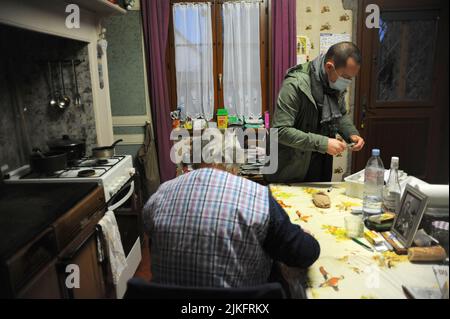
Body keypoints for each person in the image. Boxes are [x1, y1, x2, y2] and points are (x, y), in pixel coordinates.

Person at [143, 134, 320, 290]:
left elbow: (151, 234)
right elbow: (305, 253)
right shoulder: (257, 197)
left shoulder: (162, 192)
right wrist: (305, 236)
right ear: (235, 167)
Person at [266, 42, 365, 183]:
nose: (348, 82)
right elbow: (280, 131)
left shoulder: (334, 85)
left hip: (320, 164)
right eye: (346, 77)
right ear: (329, 67)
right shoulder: (295, 84)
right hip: (290, 167)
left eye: (351, 78)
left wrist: (351, 133)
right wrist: (323, 143)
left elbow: (340, 114)